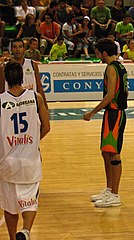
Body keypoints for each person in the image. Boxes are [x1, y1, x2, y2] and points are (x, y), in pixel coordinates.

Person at [0, 60, 50, 240]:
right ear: (22, 77)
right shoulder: (36, 98)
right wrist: (32, 143)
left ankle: (13, 237)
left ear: (5, 79)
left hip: (7, 162)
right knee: (30, 202)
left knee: (10, 206)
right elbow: (46, 127)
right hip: (30, 159)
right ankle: (26, 231)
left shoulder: (0, 101)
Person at [83, 38, 128, 208]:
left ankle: (115, 195)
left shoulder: (111, 68)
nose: (97, 55)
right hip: (113, 113)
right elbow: (126, 92)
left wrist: (92, 112)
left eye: (98, 52)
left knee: (114, 153)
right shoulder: (120, 66)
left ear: (103, 52)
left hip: (114, 114)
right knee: (105, 152)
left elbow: (110, 95)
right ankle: (109, 189)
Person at [0, 38, 48, 109]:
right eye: (15, 47)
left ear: (24, 49)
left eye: (20, 47)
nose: (17, 49)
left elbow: (39, 86)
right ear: (11, 50)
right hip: (11, 104)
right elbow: (1, 88)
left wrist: (45, 106)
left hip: (30, 103)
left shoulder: (33, 64)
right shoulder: (4, 66)